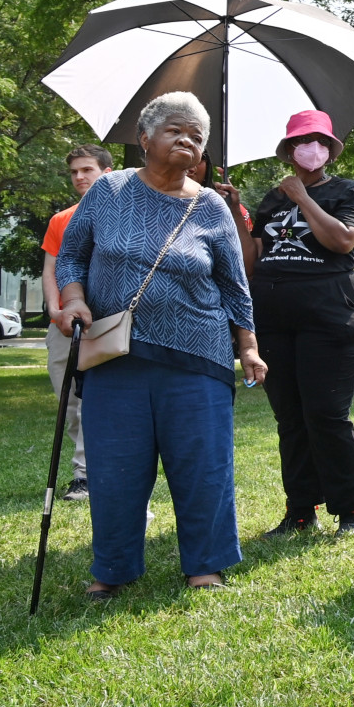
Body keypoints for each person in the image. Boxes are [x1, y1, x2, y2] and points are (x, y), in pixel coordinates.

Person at [53, 92, 265, 597]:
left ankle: (205, 564)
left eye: (197, 134)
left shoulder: (211, 206)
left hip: (199, 355)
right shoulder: (107, 193)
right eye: (176, 129)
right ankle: (113, 567)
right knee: (115, 469)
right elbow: (71, 257)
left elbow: (235, 285)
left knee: (203, 465)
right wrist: (74, 298)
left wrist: (249, 346)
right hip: (115, 355)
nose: (188, 139)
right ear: (144, 138)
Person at [216, 110, 354, 537]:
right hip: (275, 315)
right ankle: (300, 510)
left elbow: (342, 240)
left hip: (333, 313)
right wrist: (235, 212)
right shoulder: (272, 198)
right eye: (303, 141)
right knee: (290, 416)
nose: (311, 148)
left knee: (325, 413)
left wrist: (303, 197)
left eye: (320, 140)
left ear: (329, 149)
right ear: (289, 151)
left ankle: (352, 510)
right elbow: (251, 260)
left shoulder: (346, 190)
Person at [41, 143, 115, 501]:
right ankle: (85, 471)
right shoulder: (61, 219)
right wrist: (55, 311)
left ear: (107, 173)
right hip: (63, 327)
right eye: (74, 172)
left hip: (105, 325)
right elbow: (50, 270)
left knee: (98, 401)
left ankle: (86, 476)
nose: (79, 177)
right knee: (68, 404)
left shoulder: (122, 216)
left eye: (87, 170)